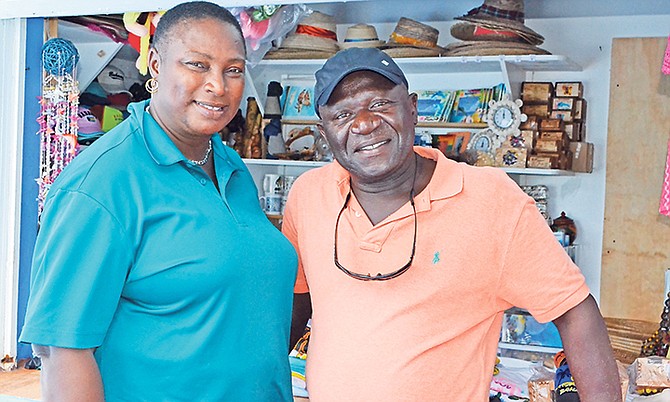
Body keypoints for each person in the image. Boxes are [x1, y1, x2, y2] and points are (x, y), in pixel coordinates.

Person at [283, 47, 621, 401]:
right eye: (343, 114)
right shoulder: (308, 196)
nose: (365, 123)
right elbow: (294, 306)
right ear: (324, 133)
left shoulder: (492, 201)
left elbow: (575, 313)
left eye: (381, 104)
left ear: (412, 109)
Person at [20, 2, 297, 401]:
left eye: (233, 69)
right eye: (197, 65)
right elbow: (62, 351)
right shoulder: (102, 184)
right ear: (154, 63)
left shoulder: (228, 163)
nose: (218, 85)